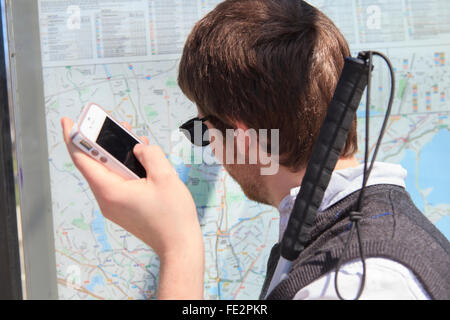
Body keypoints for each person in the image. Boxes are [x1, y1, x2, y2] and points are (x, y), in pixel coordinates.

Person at [61, 0, 449, 300]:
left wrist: (179, 246)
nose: (209, 148)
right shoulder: (336, 228)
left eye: (203, 130)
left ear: (245, 140)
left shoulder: (352, 284)